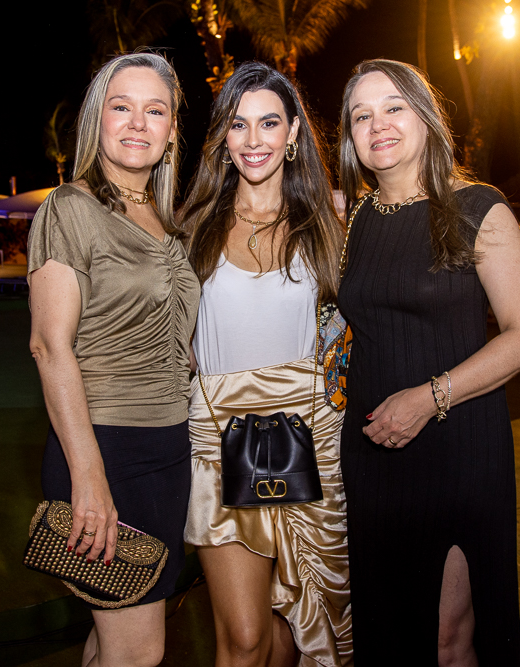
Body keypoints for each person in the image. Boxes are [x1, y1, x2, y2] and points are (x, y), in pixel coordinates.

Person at [337, 59, 520, 665]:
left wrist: (429, 398)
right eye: (361, 116)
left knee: (447, 638)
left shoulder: (476, 208)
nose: (378, 125)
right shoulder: (354, 220)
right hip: (372, 452)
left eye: (394, 107)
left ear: (426, 118)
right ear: (350, 137)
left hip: (457, 447)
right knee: (385, 627)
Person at [26, 53, 199, 667]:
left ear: (172, 130)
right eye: (121, 107)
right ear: (96, 119)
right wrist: (89, 476)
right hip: (106, 447)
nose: (137, 123)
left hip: (169, 448)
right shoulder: (69, 209)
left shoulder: (170, 221)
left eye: (155, 110)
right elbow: (50, 345)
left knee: (111, 642)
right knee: (139, 653)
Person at [179, 62, 351, 667]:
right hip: (221, 445)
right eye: (238, 125)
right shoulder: (193, 227)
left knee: (300, 633)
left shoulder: (328, 226)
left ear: (294, 131)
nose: (254, 140)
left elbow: (349, 335)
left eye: (269, 123)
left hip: (310, 444)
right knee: (246, 637)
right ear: (223, 137)